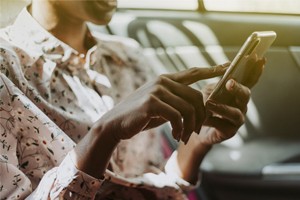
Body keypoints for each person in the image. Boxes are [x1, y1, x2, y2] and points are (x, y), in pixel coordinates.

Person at [0, 0, 266, 199]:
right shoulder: (6, 69)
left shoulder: (129, 57)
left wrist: (197, 142)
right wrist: (105, 133)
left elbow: (158, 184)